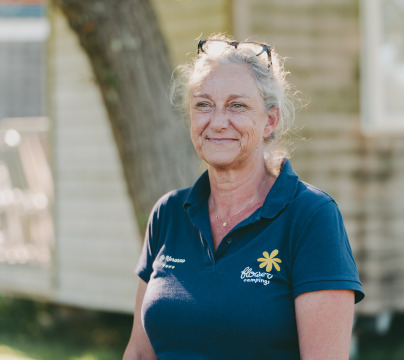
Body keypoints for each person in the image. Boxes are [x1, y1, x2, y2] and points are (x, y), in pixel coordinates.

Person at [123, 34, 364, 360]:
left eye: (237, 105)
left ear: (270, 120)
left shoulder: (311, 216)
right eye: (203, 105)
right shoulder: (168, 214)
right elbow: (139, 353)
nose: (218, 122)